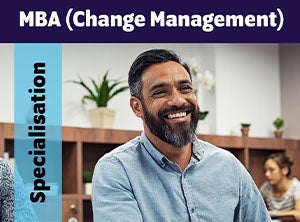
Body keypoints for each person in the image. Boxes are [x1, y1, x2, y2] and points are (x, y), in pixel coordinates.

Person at [92, 49, 271, 221]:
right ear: (137, 107)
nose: (178, 100)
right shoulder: (116, 170)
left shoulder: (229, 166)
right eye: (161, 92)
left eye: (185, 88)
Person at [260, 152, 300, 220]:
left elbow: (298, 214)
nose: (267, 174)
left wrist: (273, 213)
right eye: (265, 171)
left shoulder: (296, 186)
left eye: (271, 170)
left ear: (284, 170)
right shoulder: (266, 187)